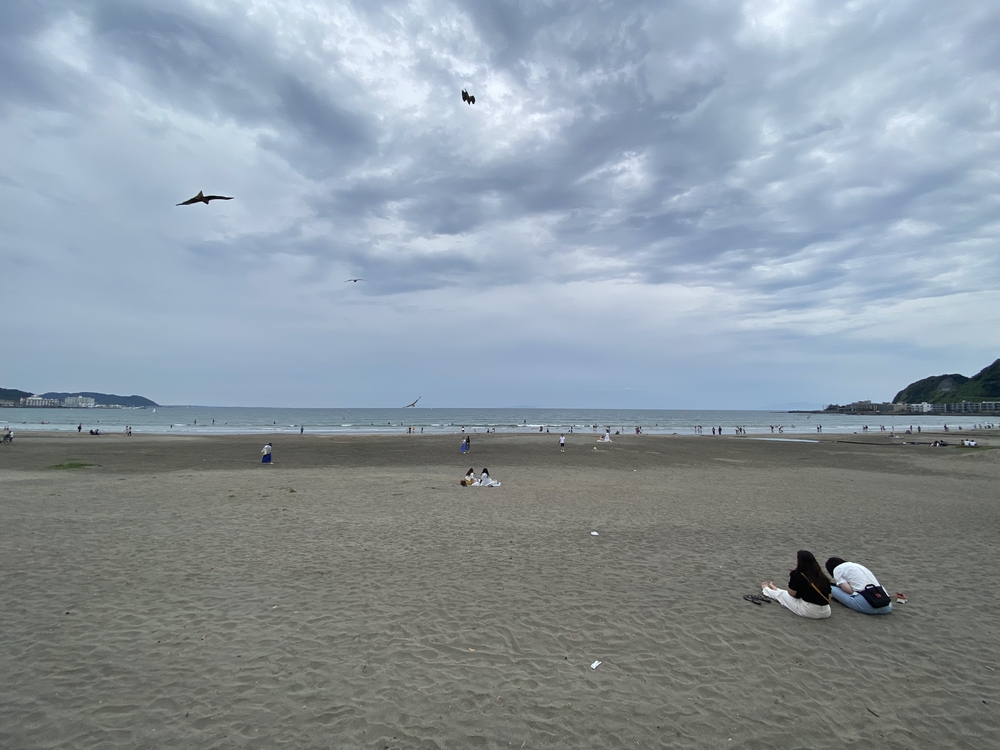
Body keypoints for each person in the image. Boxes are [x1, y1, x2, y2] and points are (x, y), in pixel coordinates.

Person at [761, 550, 832, 619]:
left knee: (782, 596)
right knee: (784, 594)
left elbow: (791, 593)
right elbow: (829, 596)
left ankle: (766, 589)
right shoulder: (822, 576)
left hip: (809, 611)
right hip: (826, 611)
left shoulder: (798, 575)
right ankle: (776, 589)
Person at [825, 557, 893, 615]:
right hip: (887, 606)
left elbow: (849, 591)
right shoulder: (858, 566)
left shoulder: (837, 569)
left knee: (830, 587)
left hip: (869, 606)